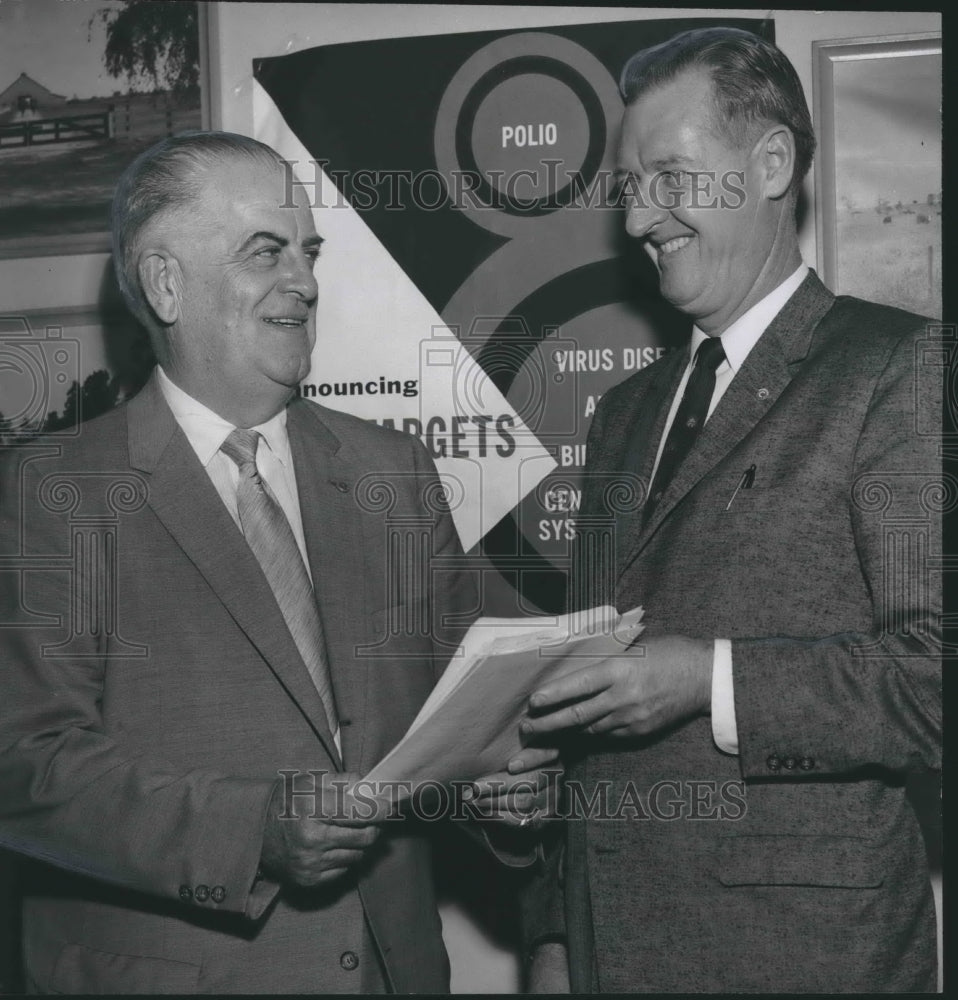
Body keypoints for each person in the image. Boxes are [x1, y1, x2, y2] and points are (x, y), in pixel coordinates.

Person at [0, 131, 552, 994]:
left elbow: (485, 694)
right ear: (166, 284)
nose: (304, 282)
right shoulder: (49, 493)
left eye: (308, 253)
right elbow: (24, 766)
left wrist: (508, 789)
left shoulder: (391, 473)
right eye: (267, 254)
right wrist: (252, 829)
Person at [520, 28, 941, 993]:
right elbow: (588, 684)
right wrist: (551, 934)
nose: (639, 220)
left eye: (669, 176)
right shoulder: (622, 414)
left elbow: (935, 682)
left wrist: (711, 682)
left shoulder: (899, 370)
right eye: (630, 188)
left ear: (772, 165)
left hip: (803, 962)